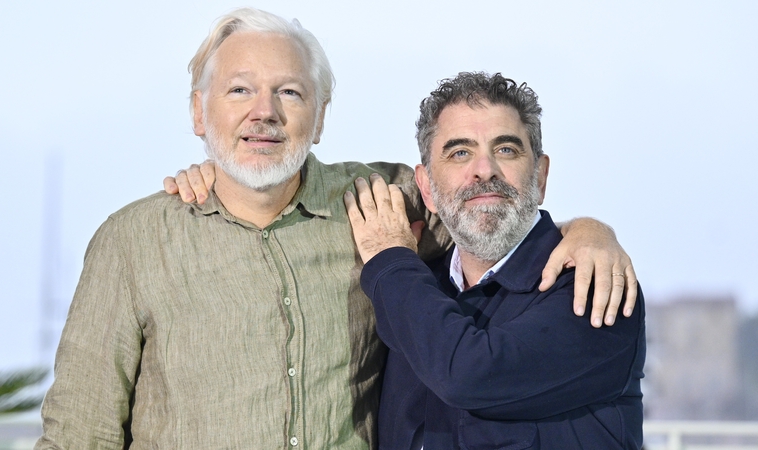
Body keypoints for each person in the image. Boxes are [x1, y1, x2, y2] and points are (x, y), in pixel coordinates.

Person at [38, 8, 637, 450]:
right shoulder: (134, 242)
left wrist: (588, 231)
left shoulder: (384, 205)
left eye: (290, 93)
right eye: (239, 90)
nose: (264, 112)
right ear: (199, 111)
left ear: (320, 117)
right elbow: (79, 431)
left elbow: (489, 205)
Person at [345, 72, 645, 449]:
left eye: (506, 149)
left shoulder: (593, 286)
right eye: (460, 153)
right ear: (427, 189)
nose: (484, 169)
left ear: (540, 177)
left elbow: (468, 375)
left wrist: (389, 256)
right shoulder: (420, 287)